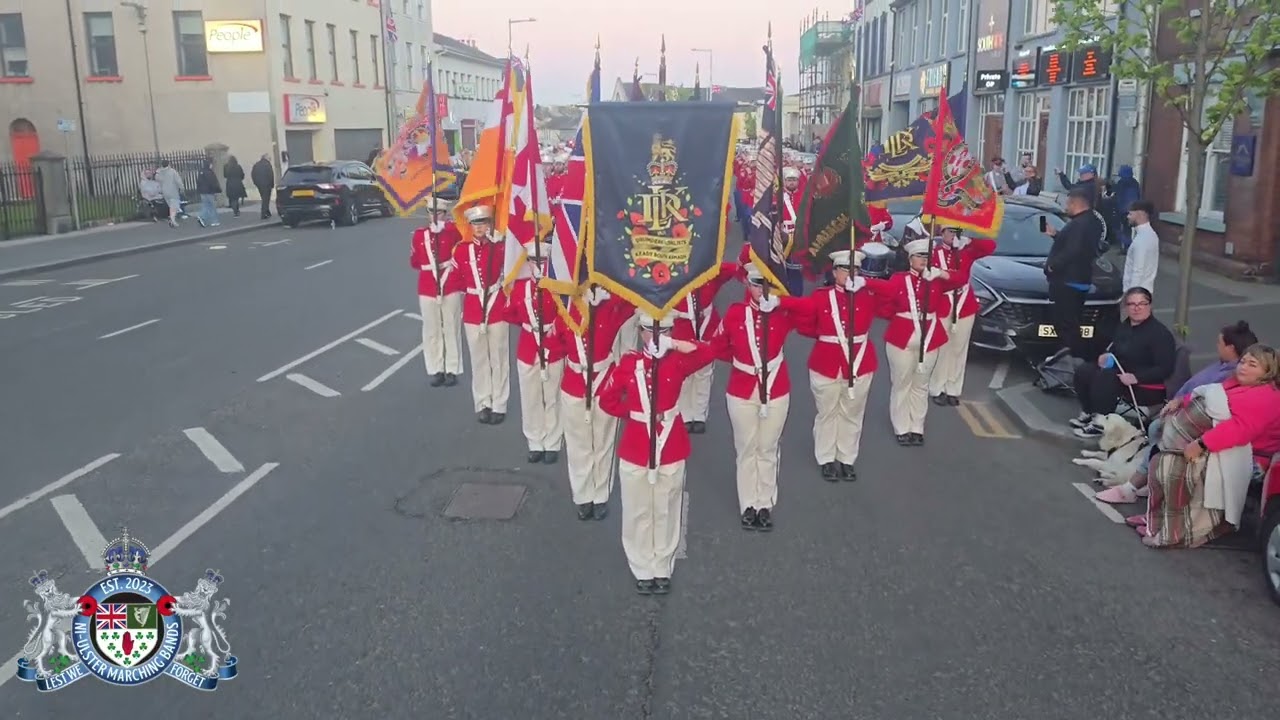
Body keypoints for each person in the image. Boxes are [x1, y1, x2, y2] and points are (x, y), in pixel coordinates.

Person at [596, 312, 715, 595]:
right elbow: (607, 400)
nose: (657, 335)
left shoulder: (679, 360)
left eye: (664, 331)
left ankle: (662, 566)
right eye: (650, 330)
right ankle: (640, 566)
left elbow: (710, 352)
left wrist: (675, 344)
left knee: (666, 507)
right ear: (640, 331)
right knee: (638, 509)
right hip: (637, 444)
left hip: (670, 443)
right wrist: (636, 415)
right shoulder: (629, 363)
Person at [1097, 320, 1258, 506]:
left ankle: (1134, 486)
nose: (1216, 346)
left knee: (1161, 430)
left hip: (1200, 425)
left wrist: (1195, 433)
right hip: (1186, 413)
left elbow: (1217, 410)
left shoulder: (1234, 377)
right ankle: (1144, 482)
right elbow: (1201, 393)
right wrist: (1178, 401)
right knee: (1157, 429)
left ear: (1231, 348)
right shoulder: (1223, 368)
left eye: (1219, 343)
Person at [1141, 343, 1280, 548]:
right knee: (1167, 458)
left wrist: (1202, 444)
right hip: (1224, 446)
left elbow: (1239, 430)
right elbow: (1210, 395)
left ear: (1268, 372)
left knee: (1177, 467)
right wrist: (1181, 401)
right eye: (1243, 361)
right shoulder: (1236, 383)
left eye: (1253, 364)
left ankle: (1182, 530)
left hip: (1252, 458)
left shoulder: (1266, 397)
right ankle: (1163, 520)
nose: (1243, 367)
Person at [712, 266, 807, 531]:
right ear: (747, 285)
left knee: (767, 447)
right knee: (746, 448)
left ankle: (764, 503)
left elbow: (809, 310)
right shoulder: (734, 313)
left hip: (776, 388)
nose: (760, 290)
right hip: (742, 389)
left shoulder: (781, 312)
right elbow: (717, 346)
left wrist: (782, 301)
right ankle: (748, 505)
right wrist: (743, 362)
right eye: (755, 284)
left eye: (765, 285)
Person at [793, 249, 892, 481]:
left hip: (860, 362)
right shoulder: (820, 296)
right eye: (845, 269)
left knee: (853, 413)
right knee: (827, 412)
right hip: (826, 362)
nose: (850, 274)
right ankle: (826, 458)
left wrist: (867, 282)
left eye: (855, 269)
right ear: (835, 271)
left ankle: (847, 458)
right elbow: (804, 325)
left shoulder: (867, 294)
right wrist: (826, 336)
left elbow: (893, 293)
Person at [548, 286, 633, 521]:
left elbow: (635, 299)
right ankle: (583, 496)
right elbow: (553, 344)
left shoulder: (610, 307)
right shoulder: (565, 311)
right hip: (575, 382)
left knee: (603, 442)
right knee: (578, 444)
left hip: (605, 381)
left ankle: (600, 496)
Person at [879, 238, 966, 446]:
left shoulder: (935, 280)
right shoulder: (899, 279)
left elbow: (960, 279)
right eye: (919, 256)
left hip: (929, 337)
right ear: (910, 259)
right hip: (902, 336)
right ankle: (901, 426)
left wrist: (941, 273)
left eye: (926, 256)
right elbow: (884, 302)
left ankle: (917, 426)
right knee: (902, 383)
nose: (923, 260)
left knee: (921, 384)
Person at [1070, 287, 1178, 439]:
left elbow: (1166, 368)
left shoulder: (1159, 334)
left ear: (1150, 305)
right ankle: (1089, 412)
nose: (1136, 308)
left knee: (1106, 376)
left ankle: (1101, 423)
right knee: (1085, 370)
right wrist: (1106, 356)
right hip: (1120, 372)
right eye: (1132, 304)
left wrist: (1136, 377)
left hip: (1144, 385)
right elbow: (1117, 350)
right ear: (1126, 307)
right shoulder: (1124, 326)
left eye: (1141, 303)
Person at [502, 241, 565, 464]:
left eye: (542, 261)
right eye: (534, 261)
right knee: (530, 397)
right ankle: (535, 442)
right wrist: (532, 327)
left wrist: (552, 330)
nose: (538, 265)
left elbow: (565, 315)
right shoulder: (520, 288)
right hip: (528, 345)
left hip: (552, 344)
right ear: (528, 262)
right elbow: (510, 313)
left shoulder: (557, 288)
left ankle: (553, 442)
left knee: (552, 396)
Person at [452, 204, 510, 425]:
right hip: (474, 310)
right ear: (470, 226)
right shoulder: (461, 250)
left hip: (496, 307)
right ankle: (482, 402)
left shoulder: (500, 248)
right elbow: (457, 280)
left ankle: (499, 404)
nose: (479, 227)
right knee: (478, 360)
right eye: (476, 223)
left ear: (490, 224)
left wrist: (499, 244)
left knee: (499, 358)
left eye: (484, 222)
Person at [929, 227, 996, 406]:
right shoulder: (934, 253)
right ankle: (937, 387)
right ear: (942, 233)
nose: (953, 236)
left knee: (959, 348)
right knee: (942, 347)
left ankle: (953, 388)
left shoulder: (966, 251)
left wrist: (970, 241)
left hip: (965, 304)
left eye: (956, 232)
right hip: (943, 302)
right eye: (949, 232)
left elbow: (990, 246)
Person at [672, 261, 737, 434]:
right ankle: (685, 414)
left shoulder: (710, 273)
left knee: (704, 373)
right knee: (684, 374)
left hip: (706, 327)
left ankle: (699, 414)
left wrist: (711, 261)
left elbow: (732, 269)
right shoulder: (673, 274)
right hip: (682, 327)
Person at [1043, 187, 1107, 360]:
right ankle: (1073, 356)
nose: (1066, 206)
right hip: (1081, 279)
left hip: (1068, 281)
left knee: (1066, 325)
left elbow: (1074, 249)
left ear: (1075, 203)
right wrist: (1056, 235)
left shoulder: (1079, 224)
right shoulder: (1092, 221)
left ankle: (1072, 358)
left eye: (1067, 203)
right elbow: (1078, 245)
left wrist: (1052, 266)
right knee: (1072, 323)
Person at [410, 204, 464, 387]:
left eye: (438, 212)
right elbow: (415, 261)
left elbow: (462, 242)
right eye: (431, 212)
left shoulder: (452, 231)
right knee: (431, 329)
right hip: (427, 285)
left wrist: (446, 229)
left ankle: (452, 369)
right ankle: (436, 368)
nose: (434, 216)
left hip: (450, 283)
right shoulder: (419, 235)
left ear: (445, 213)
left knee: (451, 326)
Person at [1121, 199, 1159, 298]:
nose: (1128, 217)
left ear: (1140, 214)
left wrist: (1131, 295)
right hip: (1145, 290)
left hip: (1137, 293)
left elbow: (1138, 270)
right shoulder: (1151, 235)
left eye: (1130, 214)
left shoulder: (1142, 240)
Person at [155, 160, 185, 228]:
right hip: (173, 191)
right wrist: (182, 188)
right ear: (168, 164)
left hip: (165, 191)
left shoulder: (160, 172)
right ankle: (172, 220)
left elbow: (157, 179)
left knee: (171, 206)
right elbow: (178, 181)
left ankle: (172, 219)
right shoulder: (172, 171)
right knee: (174, 206)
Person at [194, 159, 221, 228]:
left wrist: (199, 190)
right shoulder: (209, 172)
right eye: (211, 164)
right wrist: (217, 189)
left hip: (202, 192)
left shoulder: (201, 172)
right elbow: (212, 182)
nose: (212, 165)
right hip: (209, 191)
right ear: (209, 164)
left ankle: (202, 217)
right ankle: (214, 221)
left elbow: (198, 182)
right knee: (212, 206)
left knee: (206, 206)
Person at [252, 154, 275, 219]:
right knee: (266, 200)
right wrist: (272, 184)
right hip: (267, 185)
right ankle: (263, 214)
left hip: (259, 185)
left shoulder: (256, 165)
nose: (270, 159)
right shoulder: (267, 165)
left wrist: (256, 183)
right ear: (266, 158)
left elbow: (253, 174)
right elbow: (271, 175)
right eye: (269, 158)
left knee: (264, 198)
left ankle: (267, 212)